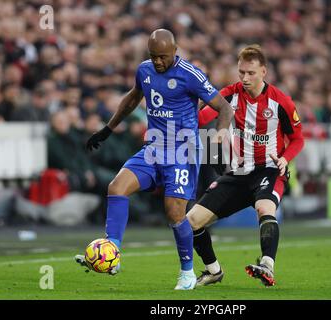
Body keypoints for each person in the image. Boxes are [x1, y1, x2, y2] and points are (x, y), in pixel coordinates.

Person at [74, 29, 234, 290]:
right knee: (116, 187)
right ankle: (111, 254)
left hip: (182, 151)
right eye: (153, 56)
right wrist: (108, 128)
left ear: (174, 52)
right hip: (152, 149)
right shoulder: (144, 71)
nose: (158, 61)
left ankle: (187, 272)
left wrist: (218, 139)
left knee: (174, 214)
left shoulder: (190, 74)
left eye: (163, 57)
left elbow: (224, 107)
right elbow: (133, 98)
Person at [186, 45, 305, 287]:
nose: (245, 78)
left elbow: (297, 138)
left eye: (251, 73)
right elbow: (201, 118)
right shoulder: (229, 95)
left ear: (263, 71)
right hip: (237, 173)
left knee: (264, 207)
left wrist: (285, 158)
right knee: (191, 221)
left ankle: (267, 266)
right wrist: (184, 104)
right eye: (241, 72)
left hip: (269, 169)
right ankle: (213, 271)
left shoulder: (281, 102)